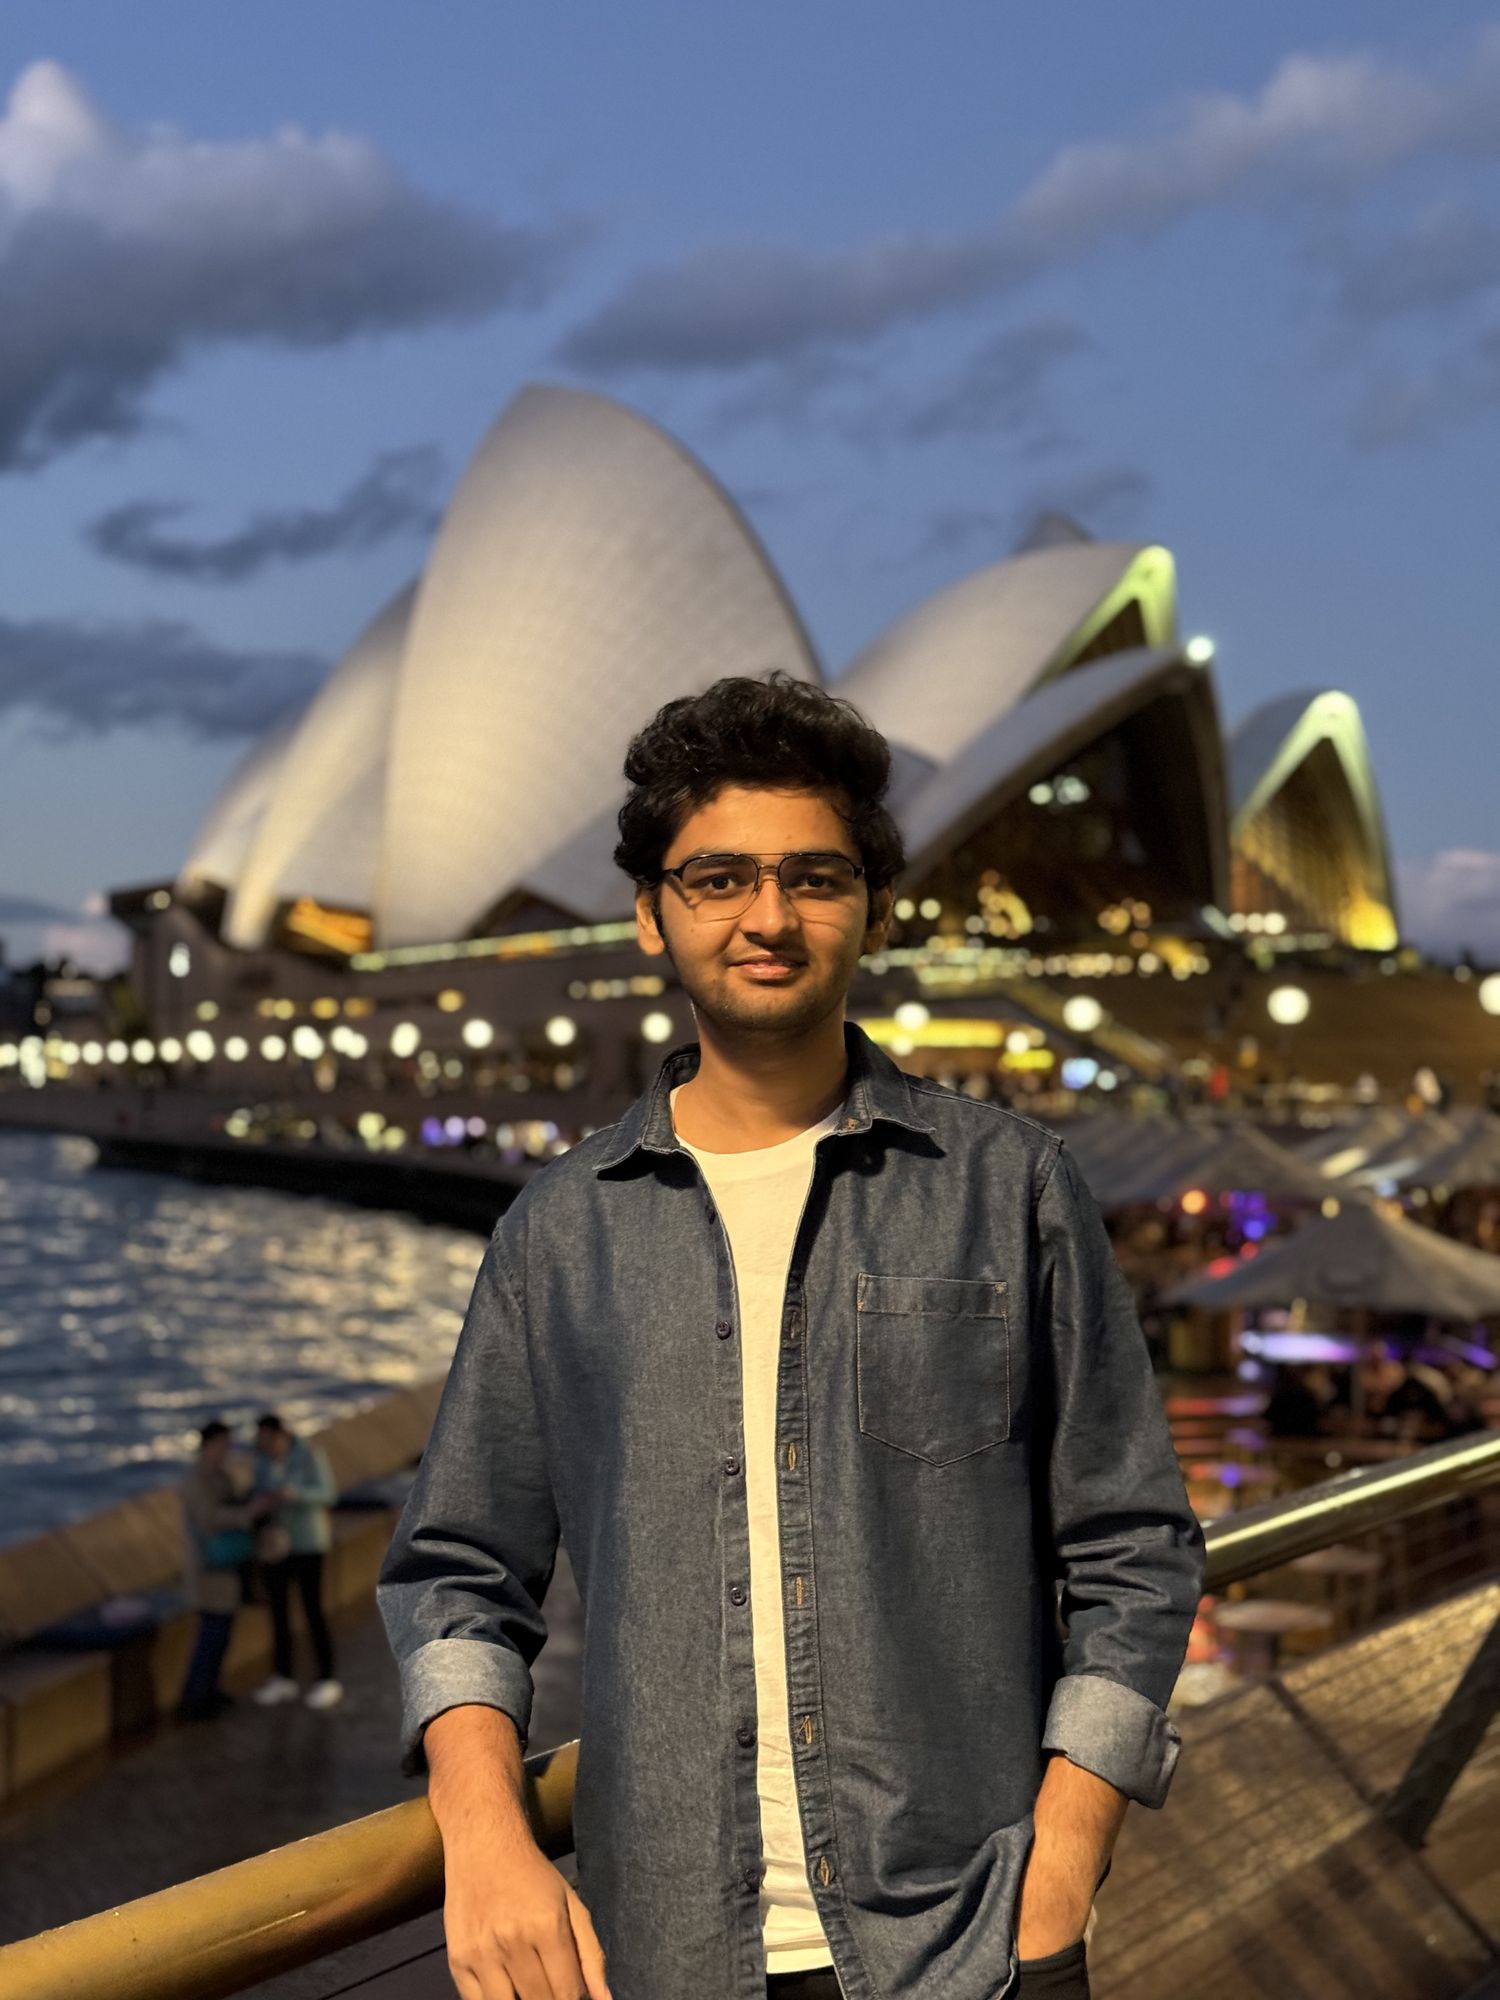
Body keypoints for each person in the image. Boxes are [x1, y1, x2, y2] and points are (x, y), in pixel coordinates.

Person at [378, 672, 1206, 2000]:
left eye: (814, 877)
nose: (769, 917)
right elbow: (458, 1572)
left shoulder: (1010, 1187)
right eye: (718, 879)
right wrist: (483, 1836)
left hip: (966, 1944)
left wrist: (1059, 1870)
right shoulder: (560, 1232)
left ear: (872, 905)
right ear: (651, 912)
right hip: (663, 1951)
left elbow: (1134, 1547)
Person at [178, 1419, 273, 1721]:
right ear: (209, 1444)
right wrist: (248, 1512)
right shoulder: (197, 1480)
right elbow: (210, 1517)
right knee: (211, 1635)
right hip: (209, 1568)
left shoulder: (218, 1476)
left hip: (225, 1567)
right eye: (224, 1444)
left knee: (220, 1635)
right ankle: (196, 1698)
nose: (227, 1450)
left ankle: (209, 1691)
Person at [249, 1412, 343, 1710]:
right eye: (261, 1442)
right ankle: (283, 1676)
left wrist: (295, 1494)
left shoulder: (309, 1455)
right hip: (276, 1546)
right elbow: (256, 1493)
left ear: (282, 1436)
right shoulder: (261, 1462)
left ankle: (327, 1678)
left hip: (308, 1544)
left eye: (269, 1440)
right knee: (278, 1612)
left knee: (313, 1609)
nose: (266, 1447)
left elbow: (328, 1494)